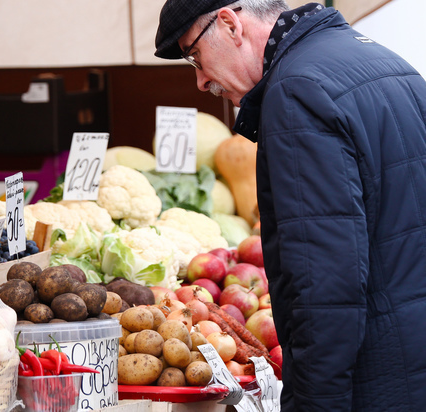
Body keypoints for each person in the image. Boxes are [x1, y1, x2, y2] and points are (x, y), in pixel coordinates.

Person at [155, 1, 426, 411]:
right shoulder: (385, 60)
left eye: (195, 56)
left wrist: (317, 403)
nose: (200, 80)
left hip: (376, 379)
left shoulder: (295, 91)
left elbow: (326, 285)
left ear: (229, 23)